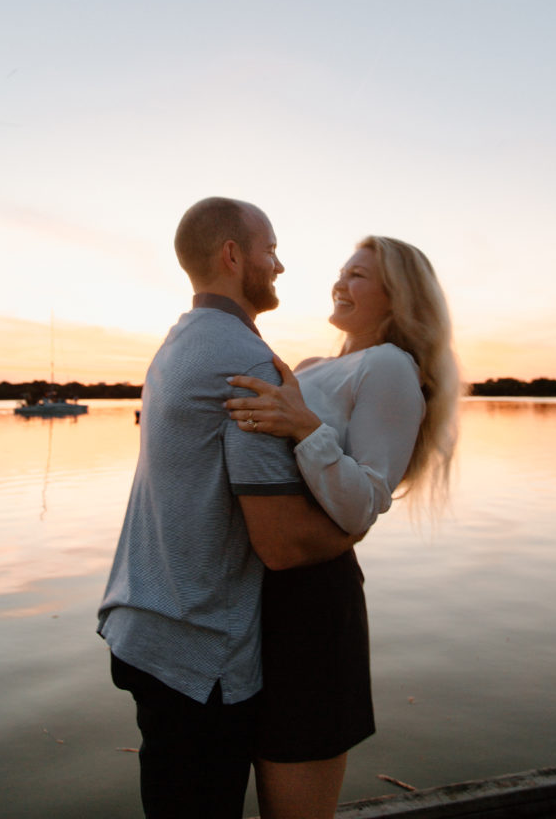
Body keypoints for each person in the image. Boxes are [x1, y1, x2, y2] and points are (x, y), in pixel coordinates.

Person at [97, 197, 358, 819]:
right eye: (270, 249)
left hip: (147, 629)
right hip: (197, 655)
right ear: (232, 255)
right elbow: (281, 543)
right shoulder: (242, 360)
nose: (281, 264)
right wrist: (361, 515)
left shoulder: (180, 341)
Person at [224, 236, 459, 819]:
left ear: (398, 298)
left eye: (358, 275)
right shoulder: (313, 367)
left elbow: (364, 505)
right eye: (342, 271)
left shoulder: (390, 367)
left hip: (312, 606)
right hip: (245, 595)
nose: (340, 283)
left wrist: (306, 428)